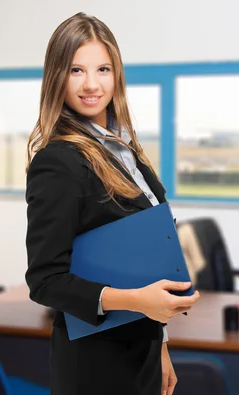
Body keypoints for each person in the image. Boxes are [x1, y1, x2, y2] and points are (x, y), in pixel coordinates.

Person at [24, 12, 201, 395]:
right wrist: (137, 301)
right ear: (57, 77)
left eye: (102, 69)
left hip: (141, 347)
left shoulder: (124, 149)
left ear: (116, 74)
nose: (91, 84)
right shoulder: (58, 161)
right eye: (76, 70)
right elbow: (45, 281)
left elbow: (143, 259)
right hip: (95, 362)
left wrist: (161, 344)